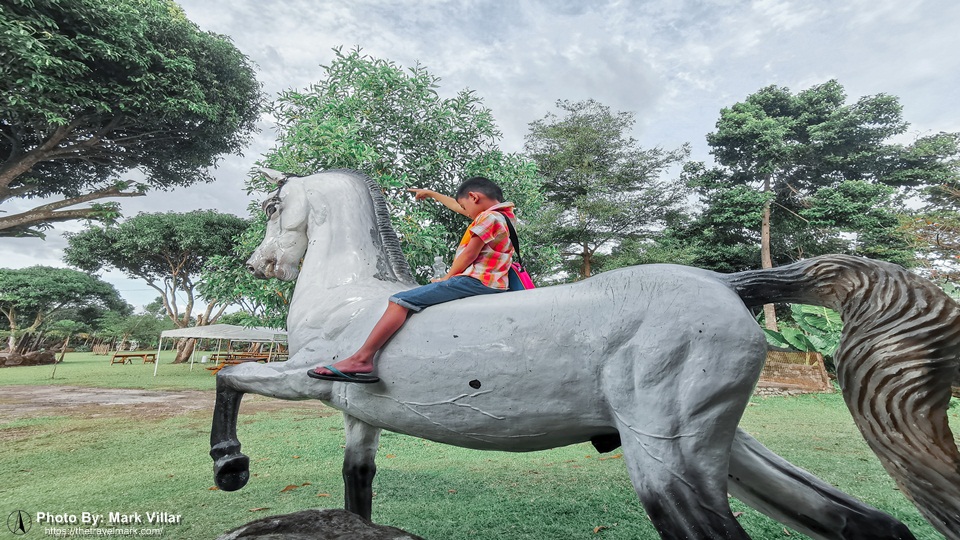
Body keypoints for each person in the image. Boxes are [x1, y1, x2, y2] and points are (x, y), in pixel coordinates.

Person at [308, 176, 517, 383]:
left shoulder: (487, 219)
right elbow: (460, 208)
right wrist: (432, 193)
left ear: (474, 197)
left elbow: (470, 254)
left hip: (476, 280)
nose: (465, 212)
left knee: (399, 301)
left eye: (465, 205)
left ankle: (362, 358)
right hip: (494, 281)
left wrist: (448, 277)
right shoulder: (504, 217)